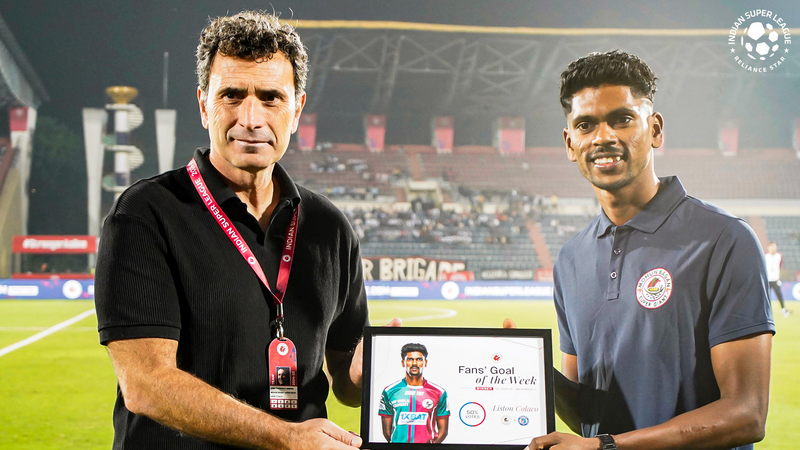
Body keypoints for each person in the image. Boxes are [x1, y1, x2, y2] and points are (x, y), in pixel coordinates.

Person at [94, 11, 399, 450]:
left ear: (297, 110)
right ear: (204, 106)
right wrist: (286, 438)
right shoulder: (145, 214)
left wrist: (361, 373)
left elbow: (347, 385)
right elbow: (146, 384)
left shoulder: (329, 227)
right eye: (232, 95)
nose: (251, 118)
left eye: (271, 97)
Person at [519, 50, 775, 450]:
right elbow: (589, 410)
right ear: (570, 143)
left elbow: (746, 413)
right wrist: (529, 368)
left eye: (622, 119)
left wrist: (608, 447)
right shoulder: (570, 259)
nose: (603, 137)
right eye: (586, 125)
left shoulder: (724, 239)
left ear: (655, 129)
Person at [379, 343, 449, 443]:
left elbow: (443, 431)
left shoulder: (439, 392)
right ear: (403, 363)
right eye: (410, 359)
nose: (414, 363)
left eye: (419, 359)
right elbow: (387, 432)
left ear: (425, 363)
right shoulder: (389, 391)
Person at [765, 242, 792, 317]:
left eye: (774, 247)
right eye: (771, 247)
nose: (773, 248)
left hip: (775, 279)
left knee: (779, 295)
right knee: (766, 296)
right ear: (768, 248)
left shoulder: (779, 256)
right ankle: (767, 311)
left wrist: (779, 277)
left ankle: (783, 310)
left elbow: (780, 266)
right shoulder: (766, 257)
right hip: (768, 279)